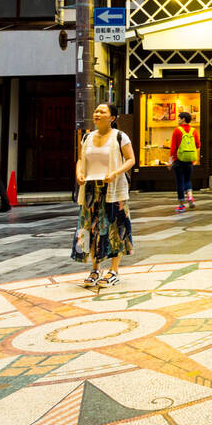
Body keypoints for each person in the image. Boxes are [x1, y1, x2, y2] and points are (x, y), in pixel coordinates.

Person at [72, 103, 135, 288]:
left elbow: (131, 159)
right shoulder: (87, 137)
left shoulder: (120, 137)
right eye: (96, 111)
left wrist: (116, 173)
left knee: (116, 228)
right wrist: (79, 174)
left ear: (112, 117)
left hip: (113, 189)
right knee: (91, 228)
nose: (97, 114)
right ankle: (95, 268)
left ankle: (114, 270)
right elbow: (80, 160)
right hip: (91, 190)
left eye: (102, 112)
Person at [169, 112, 199, 212]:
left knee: (180, 182)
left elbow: (173, 147)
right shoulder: (194, 131)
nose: (178, 120)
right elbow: (198, 145)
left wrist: (170, 160)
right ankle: (190, 197)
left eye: (179, 118)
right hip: (190, 160)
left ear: (183, 119)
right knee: (187, 180)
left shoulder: (177, 130)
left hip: (179, 160)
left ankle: (181, 205)